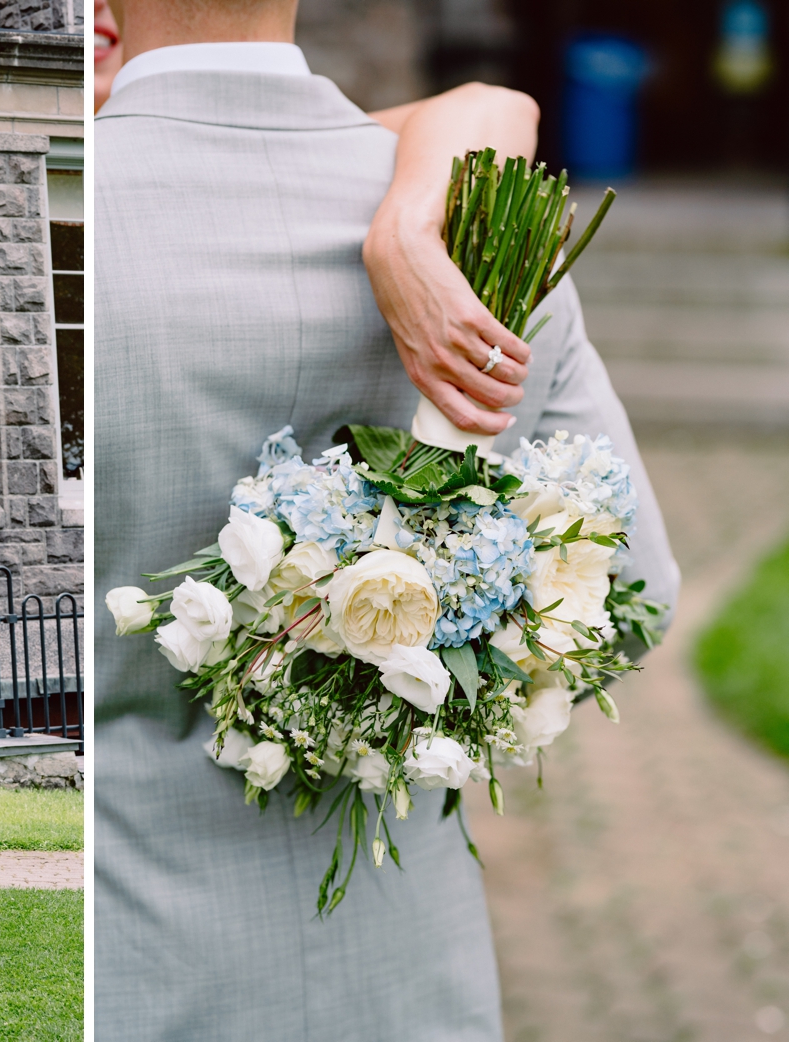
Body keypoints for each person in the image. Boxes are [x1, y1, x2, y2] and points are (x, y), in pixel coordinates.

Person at [94, 1, 680, 1038]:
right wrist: (433, 686)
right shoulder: (477, 234)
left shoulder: (80, 211)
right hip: (406, 974)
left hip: (137, 970)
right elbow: (629, 599)